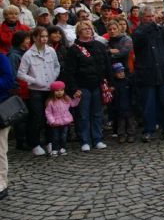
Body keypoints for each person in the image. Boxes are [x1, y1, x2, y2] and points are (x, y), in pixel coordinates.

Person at [132, 5, 164, 142]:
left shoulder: (162, 30)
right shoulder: (138, 31)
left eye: (152, 16)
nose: (151, 19)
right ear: (142, 18)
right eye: (148, 17)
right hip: (147, 73)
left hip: (163, 72)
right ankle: (149, 130)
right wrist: (153, 24)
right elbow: (140, 38)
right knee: (149, 104)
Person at [63, 21, 111, 152]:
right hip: (82, 86)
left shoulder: (99, 46)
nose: (88, 30)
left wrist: (109, 83)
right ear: (79, 32)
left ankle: (97, 139)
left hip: (98, 84)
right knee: (83, 115)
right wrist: (73, 88)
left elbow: (107, 65)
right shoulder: (74, 49)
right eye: (84, 29)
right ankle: (84, 140)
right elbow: (69, 71)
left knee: (97, 113)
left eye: (89, 28)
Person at [17, 27, 60, 157]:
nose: (44, 39)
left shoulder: (51, 51)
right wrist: (34, 80)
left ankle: (50, 141)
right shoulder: (28, 55)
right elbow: (20, 73)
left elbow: (57, 66)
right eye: (41, 36)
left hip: (49, 89)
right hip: (36, 90)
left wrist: (53, 78)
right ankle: (35, 143)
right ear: (34, 38)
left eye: (46, 36)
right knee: (37, 117)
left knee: (50, 116)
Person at [7, 31, 31, 151]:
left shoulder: (26, 53)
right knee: (21, 117)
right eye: (27, 39)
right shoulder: (14, 55)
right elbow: (13, 74)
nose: (29, 41)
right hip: (19, 89)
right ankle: (21, 140)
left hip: (27, 87)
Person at [44, 80, 80, 157]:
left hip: (65, 122)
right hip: (55, 123)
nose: (59, 92)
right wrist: (52, 121)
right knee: (55, 137)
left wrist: (77, 98)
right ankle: (55, 149)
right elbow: (48, 112)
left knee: (64, 136)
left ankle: (63, 148)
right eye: (57, 91)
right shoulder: (50, 102)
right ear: (53, 91)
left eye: (61, 90)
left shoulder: (66, 99)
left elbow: (73, 104)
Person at [0, 51, 15, 200]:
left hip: (0, 108)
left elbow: (8, 81)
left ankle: (1, 184)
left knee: (0, 149)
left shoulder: (1, 58)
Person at [110, 63, 135, 143]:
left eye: (122, 71)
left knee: (130, 122)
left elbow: (133, 93)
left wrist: (133, 102)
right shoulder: (114, 84)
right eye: (118, 72)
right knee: (121, 123)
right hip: (119, 107)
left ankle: (131, 135)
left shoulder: (128, 82)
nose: (121, 73)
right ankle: (121, 135)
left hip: (129, 105)